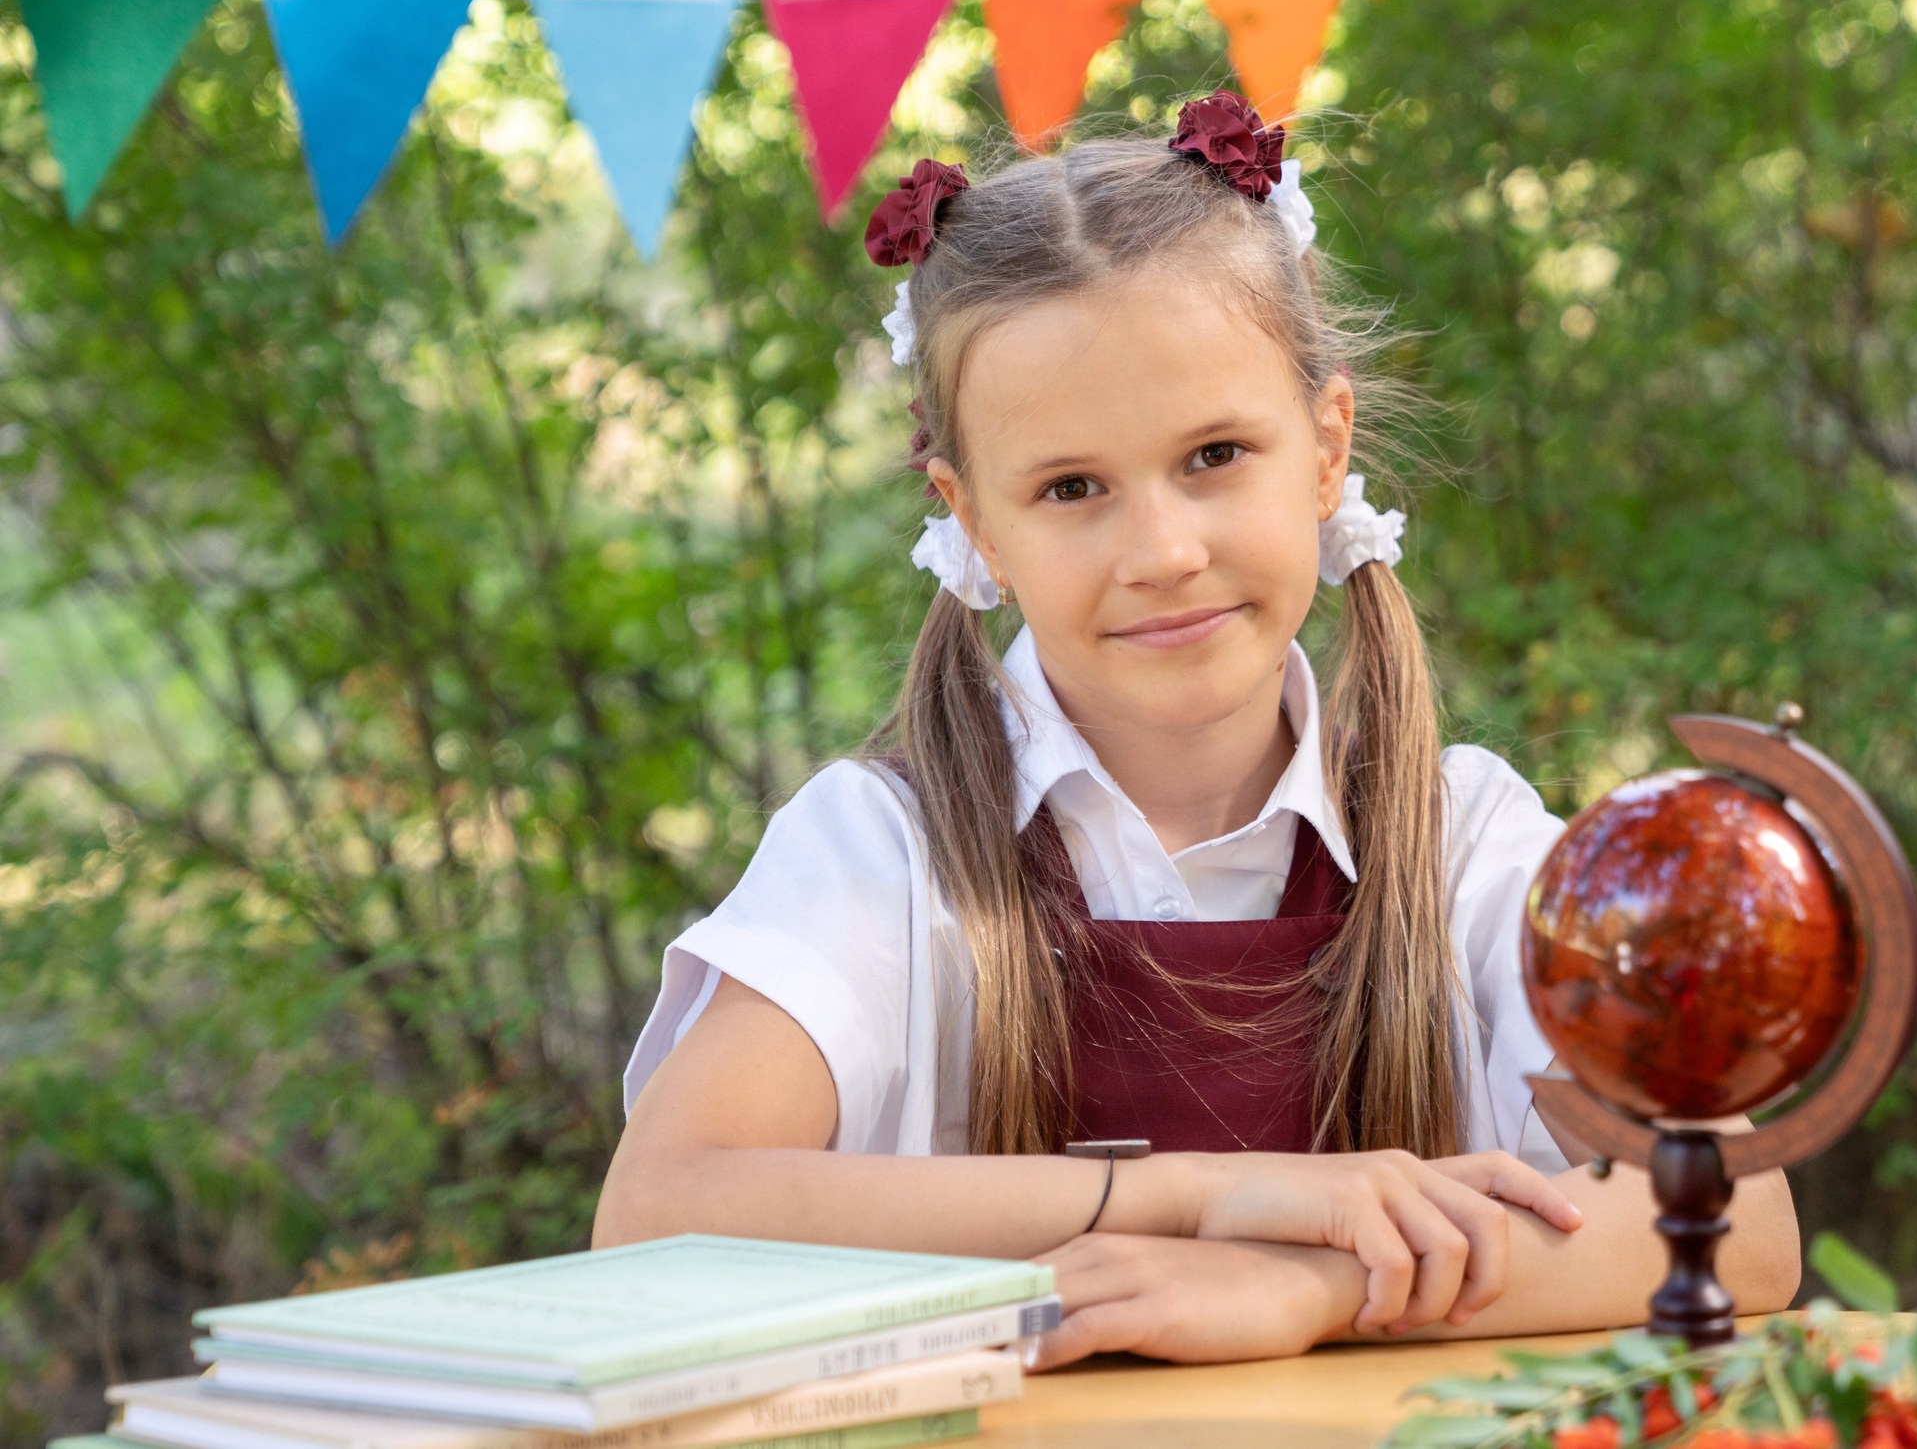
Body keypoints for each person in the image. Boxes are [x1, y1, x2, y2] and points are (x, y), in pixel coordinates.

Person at [596, 93, 1800, 1366]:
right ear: (976, 523)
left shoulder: (1462, 844)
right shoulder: (883, 851)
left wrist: (1317, 1286)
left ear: (1325, 450)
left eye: (1215, 455)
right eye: (1071, 487)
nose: (1164, 552)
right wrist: (1197, 1197)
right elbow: (658, 1215)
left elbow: (1740, 1221)